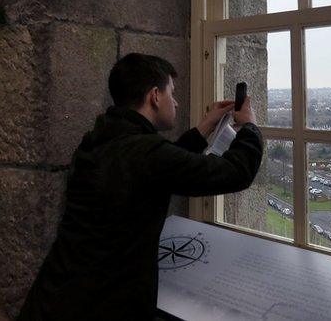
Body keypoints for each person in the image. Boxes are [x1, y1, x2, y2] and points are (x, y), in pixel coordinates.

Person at [15, 52, 263, 320]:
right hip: (101, 305)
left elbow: (157, 169)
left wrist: (205, 126)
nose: (176, 102)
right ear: (155, 96)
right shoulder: (146, 154)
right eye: (172, 93)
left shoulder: (100, 138)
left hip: (55, 295)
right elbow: (235, 172)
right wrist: (249, 127)